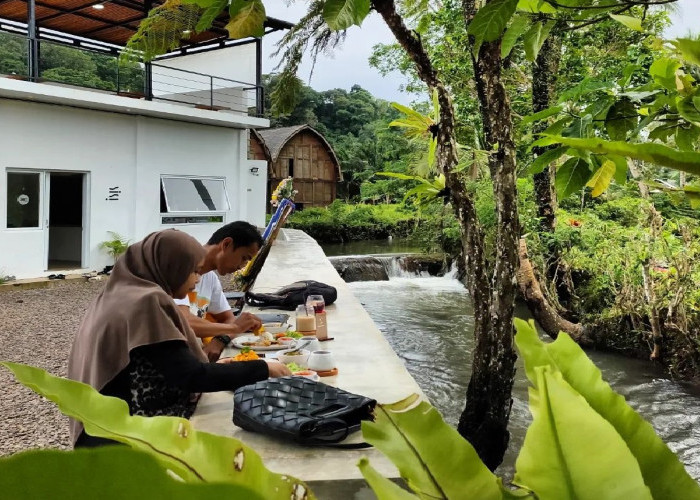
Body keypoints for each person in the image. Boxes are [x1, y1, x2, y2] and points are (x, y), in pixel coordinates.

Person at [67, 229, 290, 448]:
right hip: (128, 439)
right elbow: (190, 376)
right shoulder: (147, 302)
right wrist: (263, 368)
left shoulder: (119, 293)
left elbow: (164, 362)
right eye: (193, 271)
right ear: (171, 267)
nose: (197, 279)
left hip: (99, 426)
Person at [173, 221, 265, 361]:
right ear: (226, 244)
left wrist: (220, 340)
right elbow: (184, 322)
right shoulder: (179, 269)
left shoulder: (210, 278)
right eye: (244, 258)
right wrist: (234, 328)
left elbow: (228, 318)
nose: (242, 266)